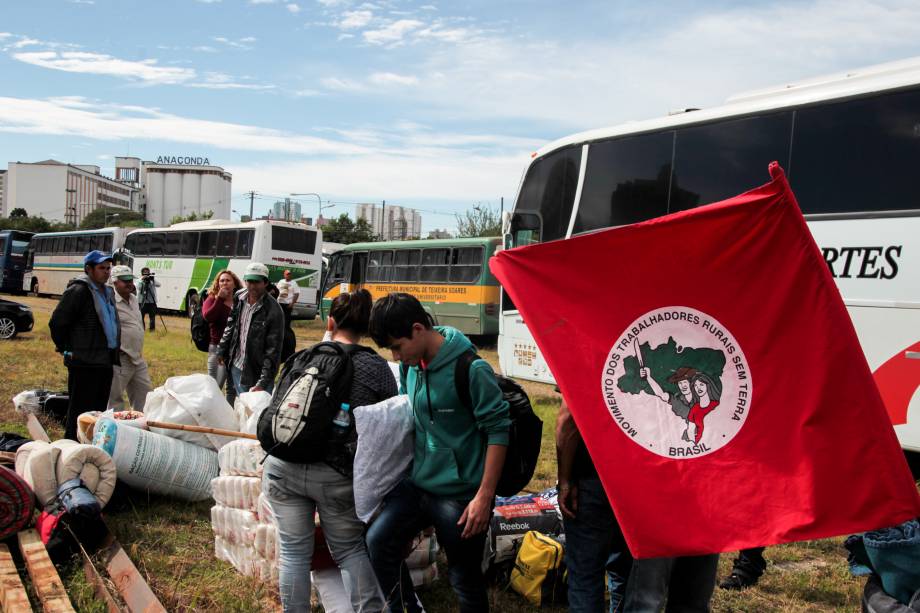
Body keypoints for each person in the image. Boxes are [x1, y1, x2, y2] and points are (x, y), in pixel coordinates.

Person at [366, 292, 510, 613]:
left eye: (397, 346)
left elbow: (499, 431)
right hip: (419, 485)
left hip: (460, 497)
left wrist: (484, 497)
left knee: (464, 577)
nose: (395, 355)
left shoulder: (472, 369)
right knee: (378, 542)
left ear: (418, 329)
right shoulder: (411, 367)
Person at [263, 289, 395, 613]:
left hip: (283, 466)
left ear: (331, 321)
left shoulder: (304, 357)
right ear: (366, 329)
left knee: (294, 552)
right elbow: (388, 425)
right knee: (349, 550)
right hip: (336, 475)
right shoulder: (376, 368)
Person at [556, 395, 633, 612]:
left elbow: (568, 418)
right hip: (643, 479)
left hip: (594, 478)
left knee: (585, 577)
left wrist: (565, 480)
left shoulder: (586, 359)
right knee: (628, 573)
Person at [49, 250, 120, 440]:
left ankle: (91, 447)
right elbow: (57, 322)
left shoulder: (107, 292)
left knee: (98, 412)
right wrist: (67, 348)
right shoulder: (79, 291)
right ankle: (72, 446)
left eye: (108, 268)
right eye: (101, 268)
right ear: (89, 269)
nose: (106, 272)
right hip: (84, 360)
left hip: (105, 359)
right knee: (80, 412)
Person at [218, 262, 285, 398]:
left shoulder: (274, 310)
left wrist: (263, 381)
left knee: (254, 413)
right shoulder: (239, 297)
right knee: (234, 406)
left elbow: (273, 350)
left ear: (265, 283)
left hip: (257, 371)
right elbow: (231, 324)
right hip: (236, 362)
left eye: (256, 282)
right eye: (249, 281)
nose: (252, 286)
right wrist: (222, 348)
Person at [107, 265, 152, 411]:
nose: (129, 283)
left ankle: (141, 429)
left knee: (145, 398)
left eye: (130, 280)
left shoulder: (133, 298)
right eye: (124, 280)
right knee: (114, 401)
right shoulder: (110, 301)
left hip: (138, 358)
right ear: (114, 282)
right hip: (120, 358)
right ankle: (115, 431)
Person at [202, 269, 242, 401]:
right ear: (218, 284)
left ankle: (229, 416)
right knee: (214, 386)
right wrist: (220, 298)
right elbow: (208, 317)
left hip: (237, 350)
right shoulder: (212, 298)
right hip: (218, 349)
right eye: (222, 280)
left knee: (233, 388)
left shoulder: (240, 300)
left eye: (228, 280)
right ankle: (208, 415)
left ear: (234, 284)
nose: (225, 283)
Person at [687, 373, 721, 445]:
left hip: (716, 443)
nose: (698, 388)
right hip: (699, 445)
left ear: (707, 385)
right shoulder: (694, 408)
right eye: (696, 386)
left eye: (701, 385)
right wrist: (694, 444)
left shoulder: (717, 405)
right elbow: (690, 430)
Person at [137, 267, 160, 332]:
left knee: (152, 317)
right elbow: (138, 287)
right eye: (145, 274)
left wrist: (152, 280)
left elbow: (159, 285)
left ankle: (152, 330)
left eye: (148, 273)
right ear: (142, 274)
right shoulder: (139, 280)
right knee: (141, 317)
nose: (147, 275)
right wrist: (142, 280)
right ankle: (142, 329)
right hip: (142, 301)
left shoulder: (151, 280)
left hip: (151, 301)